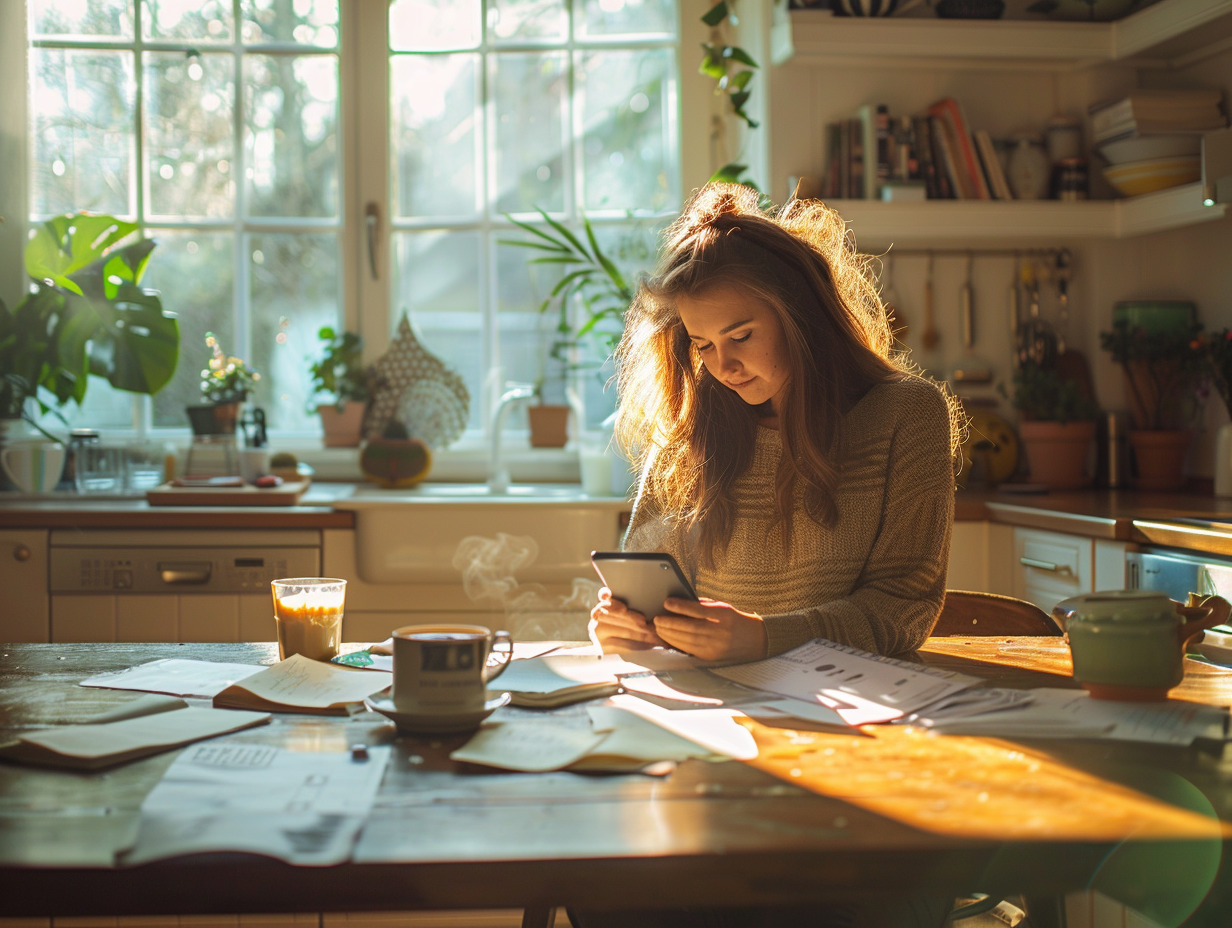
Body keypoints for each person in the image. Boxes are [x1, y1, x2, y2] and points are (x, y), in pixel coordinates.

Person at [589, 182, 963, 664]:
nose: (722, 367)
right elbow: (646, 585)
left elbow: (904, 606)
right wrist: (625, 629)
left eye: (740, 336)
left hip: (853, 711)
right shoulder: (690, 433)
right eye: (703, 345)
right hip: (715, 710)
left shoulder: (906, 415)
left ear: (800, 316)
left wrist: (767, 638)